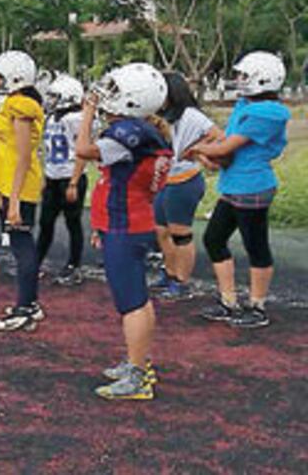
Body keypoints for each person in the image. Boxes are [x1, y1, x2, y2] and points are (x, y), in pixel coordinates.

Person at [75, 63, 171, 400]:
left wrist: (86, 112)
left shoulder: (130, 133)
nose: (106, 96)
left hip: (126, 223)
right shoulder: (142, 132)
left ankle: (137, 374)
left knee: (131, 302)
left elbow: (83, 150)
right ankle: (138, 361)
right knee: (138, 299)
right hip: (129, 220)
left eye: (115, 91)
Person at [188, 51, 290, 329]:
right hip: (235, 184)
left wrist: (197, 148)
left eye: (245, 75)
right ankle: (228, 300)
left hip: (252, 186)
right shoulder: (247, 105)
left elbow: (225, 147)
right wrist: (208, 153)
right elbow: (224, 148)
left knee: (255, 246)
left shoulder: (266, 113)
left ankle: (257, 306)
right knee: (214, 238)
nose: (239, 79)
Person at [0, 50, 48, 333]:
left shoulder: (22, 105)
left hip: (21, 185)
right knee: (21, 245)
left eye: (0, 77)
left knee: (22, 247)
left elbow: (23, 156)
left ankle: (25, 307)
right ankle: (29, 302)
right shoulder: (13, 102)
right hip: (11, 184)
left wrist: (14, 200)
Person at [148, 72, 221, 301]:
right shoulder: (171, 117)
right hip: (169, 180)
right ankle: (169, 274)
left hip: (185, 181)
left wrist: (197, 149)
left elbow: (218, 135)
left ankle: (182, 282)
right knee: (161, 230)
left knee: (181, 234)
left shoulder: (190, 115)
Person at [35, 74, 89, 286]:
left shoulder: (76, 119)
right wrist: (44, 177)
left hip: (69, 176)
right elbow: (46, 150)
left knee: (72, 223)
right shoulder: (52, 118)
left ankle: (73, 266)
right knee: (45, 223)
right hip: (53, 177)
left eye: (55, 96)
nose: (51, 100)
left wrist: (74, 182)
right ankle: (36, 261)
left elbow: (82, 153)